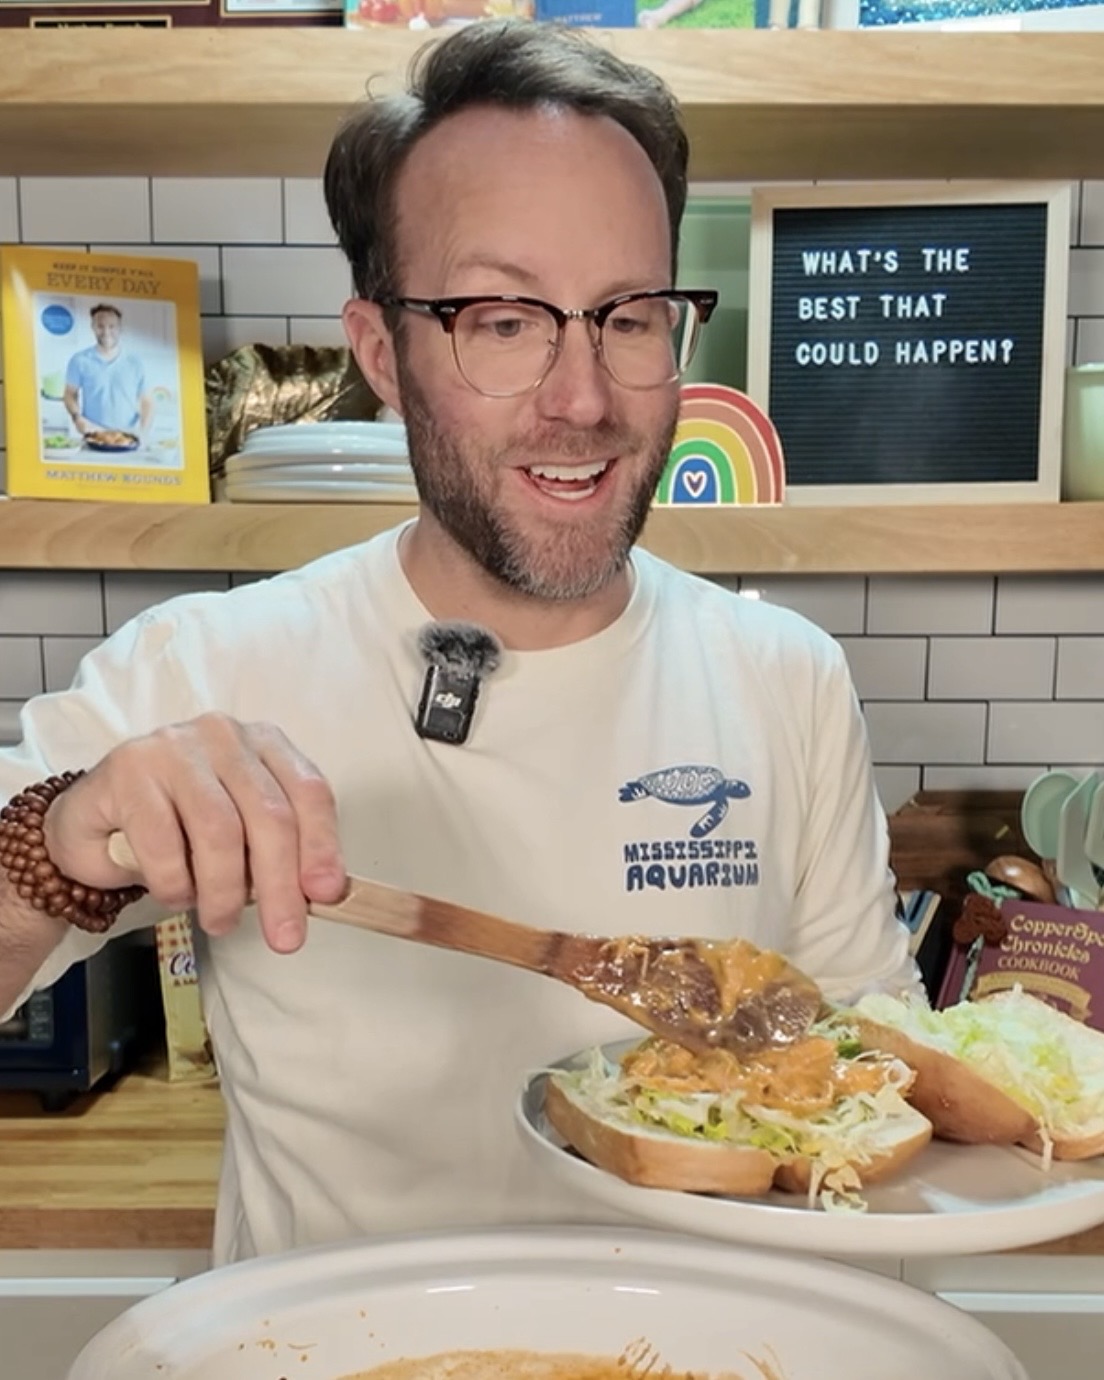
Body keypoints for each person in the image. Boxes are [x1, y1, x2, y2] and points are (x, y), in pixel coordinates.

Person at [0, 20, 916, 1267]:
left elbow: (871, 1077)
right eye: (501, 320)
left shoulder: (784, 676)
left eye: (630, 315)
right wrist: (64, 842)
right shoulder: (204, 665)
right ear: (384, 353)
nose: (583, 396)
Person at [63, 302, 154, 440]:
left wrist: (143, 431)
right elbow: (69, 394)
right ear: (93, 327)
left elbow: (147, 400)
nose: (106, 332)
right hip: (93, 434)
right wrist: (77, 418)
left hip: (128, 435)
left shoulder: (136, 362)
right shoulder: (79, 360)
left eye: (112, 326)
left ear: (120, 328)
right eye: (100, 326)